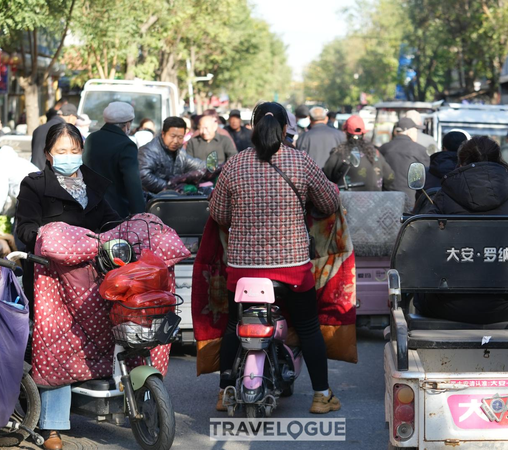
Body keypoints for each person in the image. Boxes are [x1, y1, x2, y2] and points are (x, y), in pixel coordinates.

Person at [210, 102, 342, 414]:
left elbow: (218, 214)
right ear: (285, 129)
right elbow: (329, 202)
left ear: (253, 128)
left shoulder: (235, 164)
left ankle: (224, 392)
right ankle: (322, 395)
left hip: (243, 273)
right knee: (309, 327)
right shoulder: (301, 162)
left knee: (233, 325)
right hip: (292, 271)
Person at [14, 123, 120, 450]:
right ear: (48, 154)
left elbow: (111, 221)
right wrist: (54, 238)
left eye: (74, 151)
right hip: (52, 280)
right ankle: (52, 427)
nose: (69, 157)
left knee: (102, 337)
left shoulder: (93, 185)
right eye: (61, 151)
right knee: (55, 346)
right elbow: (25, 229)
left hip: (93, 278)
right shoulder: (34, 186)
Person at [417, 136, 508, 324]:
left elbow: (422, 246)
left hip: (444, 305)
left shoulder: (445, 193)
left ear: (461, 161)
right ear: (499, 160)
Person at [82, 102, 146, 218]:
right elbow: (132, 182)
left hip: (89, 206)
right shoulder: (126, 145)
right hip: (116, 211)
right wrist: (139, 214)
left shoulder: (92, 138)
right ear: (127, 124)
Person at [323, 115, 395, 191]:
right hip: (374, 201)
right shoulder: (375, 153)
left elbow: (325, 177)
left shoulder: (339, 153)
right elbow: (390, 177)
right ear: (363, 133)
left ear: (346, 133)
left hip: (346, 200)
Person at [139, 116, 206, 193]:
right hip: (152, 200)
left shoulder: (180, 151)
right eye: (172, 136)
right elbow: (143, 176)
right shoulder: (148, 151)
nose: (176, 141)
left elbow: (196, 164)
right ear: (163, 134)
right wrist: (169, 187)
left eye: (180, 137)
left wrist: (216, 167)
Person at [380, 117, 431, 211]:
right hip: (412, 201)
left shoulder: (383, 148)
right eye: (415, 130)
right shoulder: (420, 150)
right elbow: (427, 177)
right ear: (409, 131)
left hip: (387, 199)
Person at [0, 145, 39, 222]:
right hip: (39, 196)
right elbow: (11, 198)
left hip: (30, 200)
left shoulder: (0, 163)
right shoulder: (16, 160)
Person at [32, 104, 78, 170]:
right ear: (71, 117)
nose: (75, 122)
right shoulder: (63, 130)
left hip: (35, 173)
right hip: (51, 174)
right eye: (75, 119)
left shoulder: (39, 129)